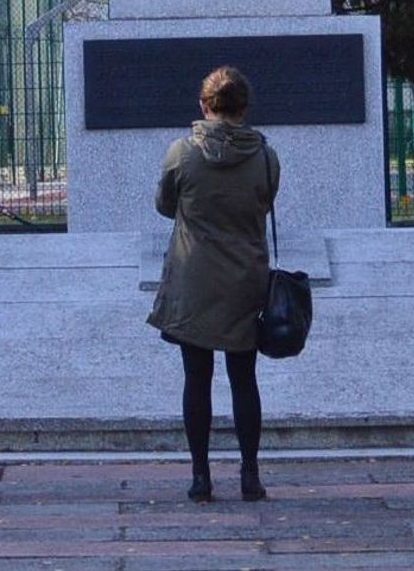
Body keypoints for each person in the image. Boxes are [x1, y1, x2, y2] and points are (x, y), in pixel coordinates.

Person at [147, 65, 280, 503]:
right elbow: (264, 202)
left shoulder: (182, 154)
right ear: (244, 107)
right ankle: (250, 474)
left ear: (204, 105)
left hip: (195, 278)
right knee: (244, 379)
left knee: (196, 378)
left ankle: (201, 476)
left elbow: (165, 204)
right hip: (245, 278)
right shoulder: (265, 157)